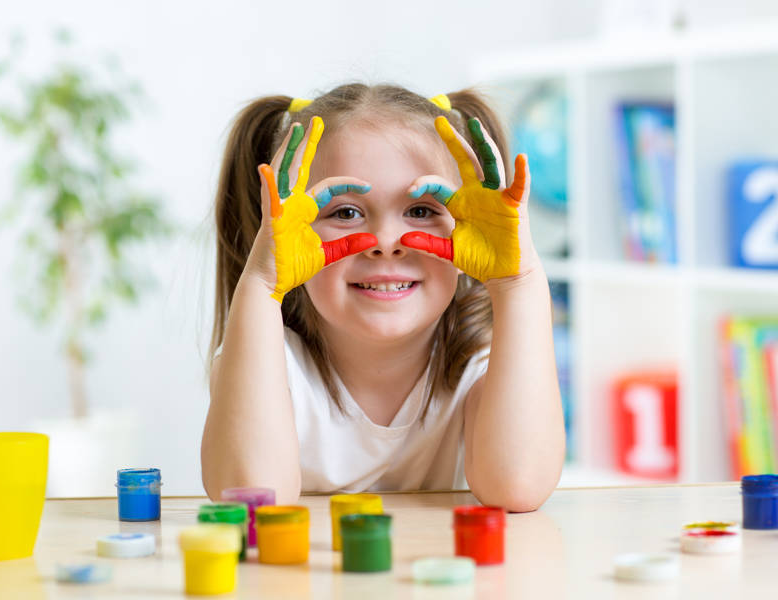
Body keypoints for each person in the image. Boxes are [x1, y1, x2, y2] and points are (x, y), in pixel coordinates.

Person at [202, 84, 564, 511]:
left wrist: (518, 281)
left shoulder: (483, 360)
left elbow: (518, 487)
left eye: (423, 210)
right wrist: (262, 287)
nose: (387, 242)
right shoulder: (265, 357)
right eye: (345, 212)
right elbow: (250, 499)